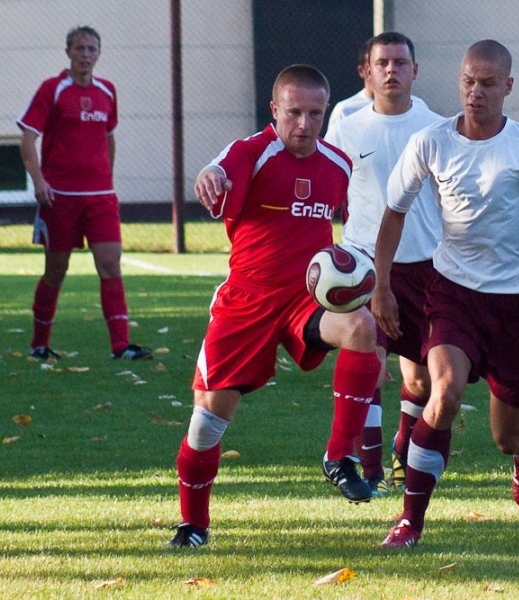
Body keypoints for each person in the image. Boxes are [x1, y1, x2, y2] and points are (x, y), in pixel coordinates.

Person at [372, 40, 519, 549]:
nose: (475, 92)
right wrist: (382, 286)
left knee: (506, 435)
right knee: (444, 395)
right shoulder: (431, 141)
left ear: (507, 87)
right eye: (467, 81)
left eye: (486, 83)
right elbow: (393, 213)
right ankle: (409, 523)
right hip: (454, 294)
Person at [166, 65, 382, 548]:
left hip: (305, 301)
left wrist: (363, 270)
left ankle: (338, 454)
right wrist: (211, 176)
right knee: (207, 423)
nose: (304, 124)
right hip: (246, 303)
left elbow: (358, 232)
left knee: (361, 328)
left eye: (314, 114)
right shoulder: (252, 152)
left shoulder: (338, 165)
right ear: (274, 111)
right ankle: (194, 524)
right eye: (294, 113)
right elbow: (219, 168)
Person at [325, 31, 443, 497]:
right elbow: (325, 184)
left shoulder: (437, 127)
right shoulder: (346, 127)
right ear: (366, 72)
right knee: (367, 357)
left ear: (415, 70)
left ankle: (403, 444)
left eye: (400, 62)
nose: (391, 70)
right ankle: (369, 468)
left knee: (420, 376)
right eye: (382, 63)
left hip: (426, 264)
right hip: (362, 262)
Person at [16, 25, 151, 361]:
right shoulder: (53, 89)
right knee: (56, 269)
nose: (86, 55)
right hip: (59, 197)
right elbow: (28, 138)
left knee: (110, 265)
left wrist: (108, 174)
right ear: (68, 52)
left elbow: (109, 136)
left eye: (92, 49)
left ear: (98, 54)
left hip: (101, 196)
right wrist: (39, 181)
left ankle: (121, 346)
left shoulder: (107, 91)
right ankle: (39, 344)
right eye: (80, 48)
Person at [326, 38, 374, 129]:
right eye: (381, 64)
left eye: (399, 63)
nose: (389, 70)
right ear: (361, 71)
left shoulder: (407, 108)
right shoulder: (345, 110)